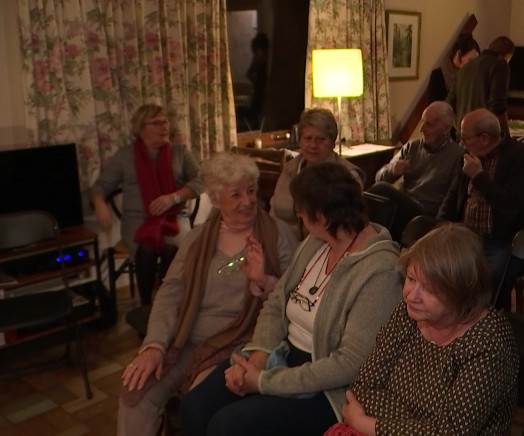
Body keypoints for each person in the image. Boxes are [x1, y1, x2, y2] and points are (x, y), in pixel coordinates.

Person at [178, 162, 403, 436]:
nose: (298, 214)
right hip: (281, 356)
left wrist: (262, 381)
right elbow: (275, 303)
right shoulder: (316, 242)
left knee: (228, 426)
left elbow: (347, 365)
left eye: (302, 210)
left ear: (321, 216)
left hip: (328, 387)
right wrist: (258, 358)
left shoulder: (380, 272)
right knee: (194, 406)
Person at [116, 152, 297, 436]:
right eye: (235, 194)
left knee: (199, 403)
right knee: (134, 389)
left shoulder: (278, 234)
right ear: (214, 199)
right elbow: (170, 293)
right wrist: (153, 346)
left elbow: (294, 299)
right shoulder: (198, 238)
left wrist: (264, 279)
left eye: (251, 191)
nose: (247, 201)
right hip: (185, 341)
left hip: (237, 345)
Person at [326, 223, 518, 436]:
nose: (411, 294)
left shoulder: (488, 344)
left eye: (430, 288)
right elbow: (363, 386)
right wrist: (421, 429)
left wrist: (367, 424)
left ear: (460, 293)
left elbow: (449, 433)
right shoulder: (409, 312)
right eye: (411, 278)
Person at [90, 103, 204, 306]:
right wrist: (99, 203)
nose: (164, 126)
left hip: (174, 217)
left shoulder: (179, 152)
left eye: (165, 121)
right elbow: (100, 186)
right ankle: (145, 307)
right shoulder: (125, 156)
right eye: (157, 122)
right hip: (137, 220)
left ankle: (166, 305)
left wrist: (173, 197)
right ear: (141, 128)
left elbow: (201, 180)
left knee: (171, 249)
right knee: (146, 249)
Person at [438, 108, 524, 310]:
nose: (461, 143)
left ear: (484, 138)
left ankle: (488, 330)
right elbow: (453, 195)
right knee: (440, 274)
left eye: (465, 137)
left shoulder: (520, 157)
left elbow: (510, 205)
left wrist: (479, 176)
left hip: (501, 240)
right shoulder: (468, 154)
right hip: (466, 235)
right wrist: (439, 226)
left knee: (488, 283)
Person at [368, 101, 464, 241]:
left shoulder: (458, 155)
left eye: (429, 124)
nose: (422, 129)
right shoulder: (412, 147)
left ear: (446, 128)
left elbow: (453, 198)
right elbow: (379, 177)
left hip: (426, 212)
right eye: (422, 123)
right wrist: (393, 171)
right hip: (404, 204)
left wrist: (439, 225)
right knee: (375, 198)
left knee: (381, 190)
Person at [270, 108, 366, 238]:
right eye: (307, 138)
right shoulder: (290, 169)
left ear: (332, 142)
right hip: (284, 246)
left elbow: (348, 228)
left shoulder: (348, 176)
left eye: (320, 139)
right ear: (300, 141)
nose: (313, 145)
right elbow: (274, 214)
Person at [447, 36, 515, 133]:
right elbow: (497, 106)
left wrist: (460, 128)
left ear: (488, 47)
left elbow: (449, 105)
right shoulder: (500, 65)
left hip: (464, 135)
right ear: (507, 56)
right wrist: (506, 135)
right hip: (485, 135)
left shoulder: (464, 68)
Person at [427, 33, 480, 103]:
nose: (474, 65)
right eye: (470, 61)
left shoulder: (475, 77)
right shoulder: (437, 76)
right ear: (458, 54)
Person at [246, 32, 269, 130]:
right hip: (257, 95)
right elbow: (249, 74)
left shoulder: (265, 65)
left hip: (262, 96)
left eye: (256, 51)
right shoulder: (258, 62)